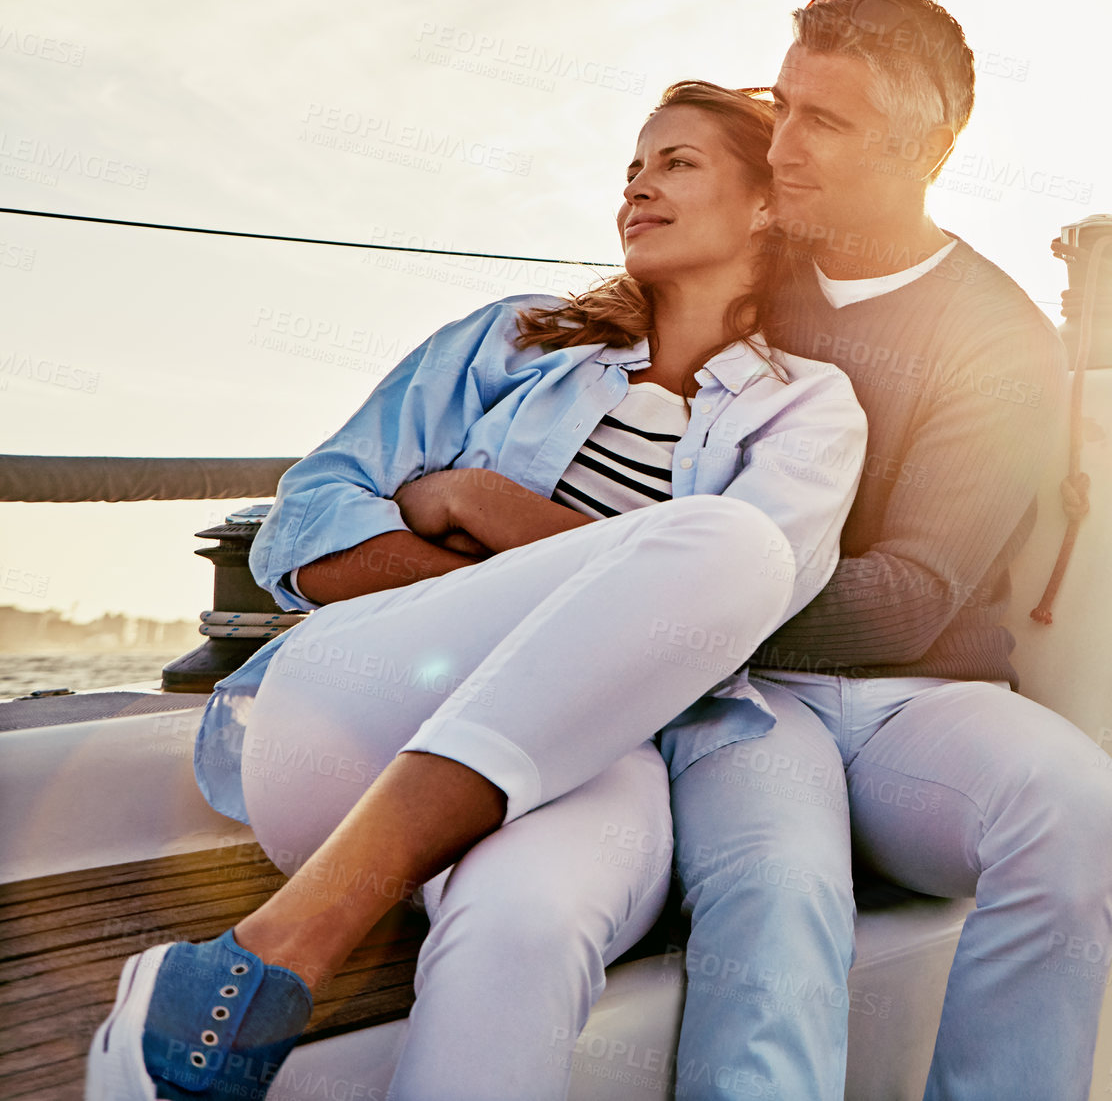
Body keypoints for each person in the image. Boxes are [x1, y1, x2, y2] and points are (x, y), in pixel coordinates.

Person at [86, 81, 867, 1101]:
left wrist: (476, 498)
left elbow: (729, 615)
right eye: (631, 168)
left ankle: (225, 990)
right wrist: (566, 581)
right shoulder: (514, 340)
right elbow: (312, 521)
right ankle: (289, 939)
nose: (637, 188)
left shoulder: (808, 409)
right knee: (723, 541)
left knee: (531, 919)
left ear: (766, 203)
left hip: (599, 753)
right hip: (354, 721)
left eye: (676, 163)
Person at [660, 0, 1112, 1101]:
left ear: (929, 148)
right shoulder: (737, 266)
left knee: (1069, 806)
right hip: (731, 689)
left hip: (905, 704)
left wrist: (664, 590)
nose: (780, 149)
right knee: (784, 885)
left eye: (825, 123)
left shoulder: (998, 336)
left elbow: (907, 601)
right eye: (783, 107)